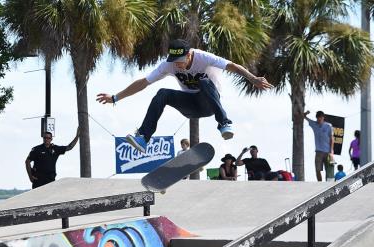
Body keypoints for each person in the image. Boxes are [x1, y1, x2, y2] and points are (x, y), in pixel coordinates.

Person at [96, 38, 273, 153]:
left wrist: (252, 78)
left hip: (208, 103)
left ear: (189, 55)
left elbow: (232, 66)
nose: (178, 66)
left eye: (181, 61)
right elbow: (143, 82)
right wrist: (115, 97)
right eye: (175, 62)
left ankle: (224, 123)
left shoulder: (204, 57)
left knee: (203, 81)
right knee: (162, 93)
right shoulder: (168, 65)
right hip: (189, 106)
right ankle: (143, 138)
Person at [304, 110, 334, 182]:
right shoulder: (314, 124)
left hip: (328, 152)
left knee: (329, 170)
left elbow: (332, 138)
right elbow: (304, 117)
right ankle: (319, 183)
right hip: (318, 152)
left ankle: (327, 184)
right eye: (318, 118)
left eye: (320, 118)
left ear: (323, 118)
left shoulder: (328, 126)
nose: (319, 119)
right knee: (317, 169)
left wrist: (331, 151)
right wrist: (306, 113)